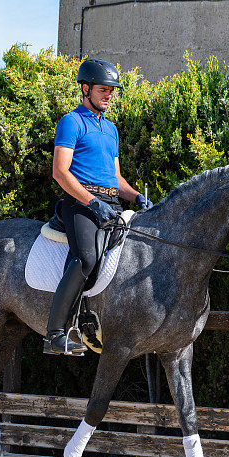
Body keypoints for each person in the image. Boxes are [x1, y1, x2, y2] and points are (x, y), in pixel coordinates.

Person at [44, 58, 152, 355]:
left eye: (111, 91)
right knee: (86, 259)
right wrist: (91, 201)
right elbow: (60, 172)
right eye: (104, 89)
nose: (108, 95)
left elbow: (115, 178)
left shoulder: (111, 129)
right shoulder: (71, 122)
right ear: (86, 88)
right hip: (80, 202)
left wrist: (135, 197)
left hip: (111, 202)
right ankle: (54, 335)